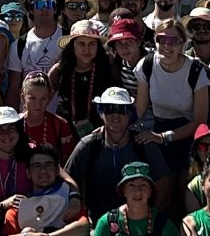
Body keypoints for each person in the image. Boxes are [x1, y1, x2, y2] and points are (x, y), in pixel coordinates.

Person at [133, 16, 210, 189]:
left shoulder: (195, 70)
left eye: (173, 41)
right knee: (162, 185)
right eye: (161, 39)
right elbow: (139, 109)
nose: (167, 46)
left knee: (185, 185)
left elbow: (200, 120)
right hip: (159, 126)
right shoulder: (146, 65)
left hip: (189, 132)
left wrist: (164, 137)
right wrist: (113, 127)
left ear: (183, 43)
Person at [63, 87, 147, 221]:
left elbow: (164, 188)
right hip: (96, 222)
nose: (115, 115)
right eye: (109, 109)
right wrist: (75, 199)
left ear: (130, 113)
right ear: (101, 113)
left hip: (139, 222)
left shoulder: (144, 145)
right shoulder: (88, 145)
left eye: (121, 109)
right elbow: (66, 178)